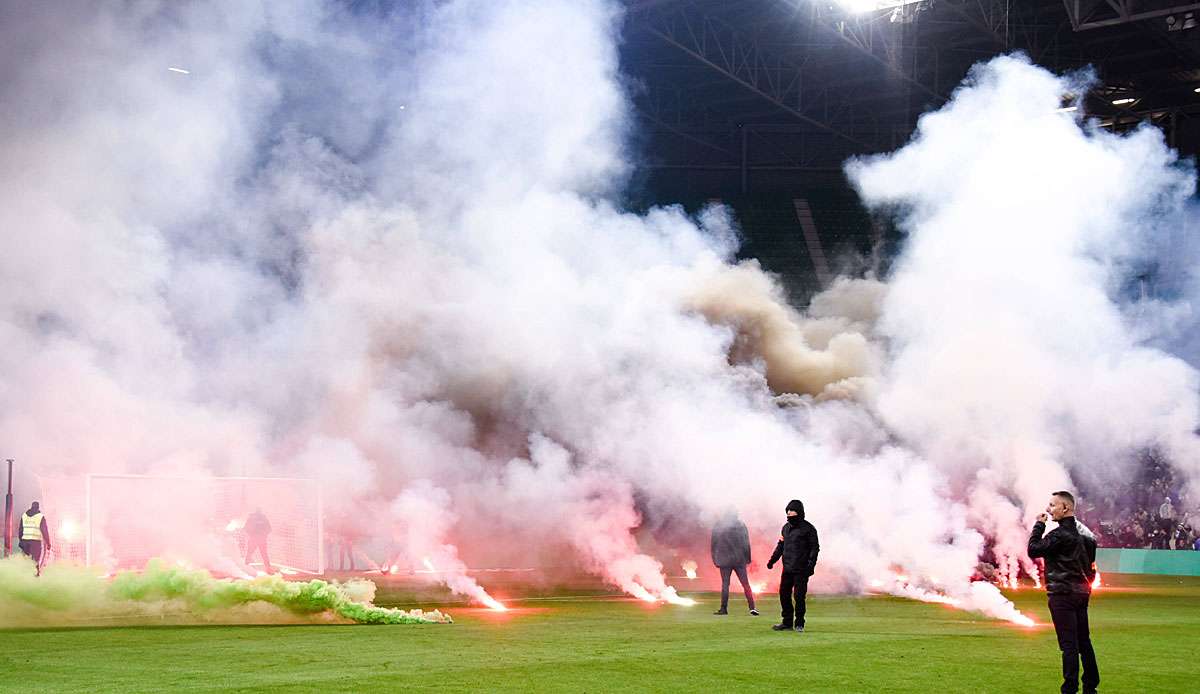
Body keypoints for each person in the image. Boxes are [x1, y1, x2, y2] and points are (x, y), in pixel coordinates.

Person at [1028, 490, 1099, 694]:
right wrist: (1087, 585)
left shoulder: (1059, 535)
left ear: (1065, 507)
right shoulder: (1088, 536)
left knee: (1068, 644)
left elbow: (1033, 549)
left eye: (1052, 505)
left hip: (1062, 594)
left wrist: (1039, 525)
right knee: (1084, 641)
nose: (1048, 510)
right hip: (1082, 593)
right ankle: (1090, 684)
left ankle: (1069, 688)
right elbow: (1092, 567)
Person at [766, 499, 819, 633]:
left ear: (799, 512)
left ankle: (799, 622)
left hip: (801, 570)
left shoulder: (809, 529)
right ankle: (787, 622)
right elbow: (780, 546)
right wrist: (772, 560)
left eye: (792, 510)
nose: (789, 513)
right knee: (784, 595)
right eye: (787, 511)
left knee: (799, 597)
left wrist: (810, 567)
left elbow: (814, 548)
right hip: (787, 569)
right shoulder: (785, 528)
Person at [710, 509, 758, 616]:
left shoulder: (719, 525)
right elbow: (746, 543)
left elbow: (714, 544)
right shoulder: (741, 525)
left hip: (724, 560)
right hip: (739, 559)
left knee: (725, 585)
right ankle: (752, 607)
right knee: (746, 584)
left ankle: (723, 609)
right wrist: (748, 559)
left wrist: (715, 559)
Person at [18, 501, 51, 576]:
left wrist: (21, 541)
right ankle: (35, 578)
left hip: (24, 542)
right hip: (35, 543)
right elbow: (45, 531)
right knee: (35, 561)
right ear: (38, 508)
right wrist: (48, 543)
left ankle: (23, 577)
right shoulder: (40, 517)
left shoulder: (24, 516)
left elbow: (20, 529)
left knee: (25, 561)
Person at [243, 508, 274, 574]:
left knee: (250, 553)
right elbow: (269, 529)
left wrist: (252, 534)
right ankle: (268, 568)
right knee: (263, 554)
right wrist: (263, 535)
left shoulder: (251, 518)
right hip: (260, 539)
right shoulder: (264, 519)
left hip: (255, 539)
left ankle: (245, 567)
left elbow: (245, 528)